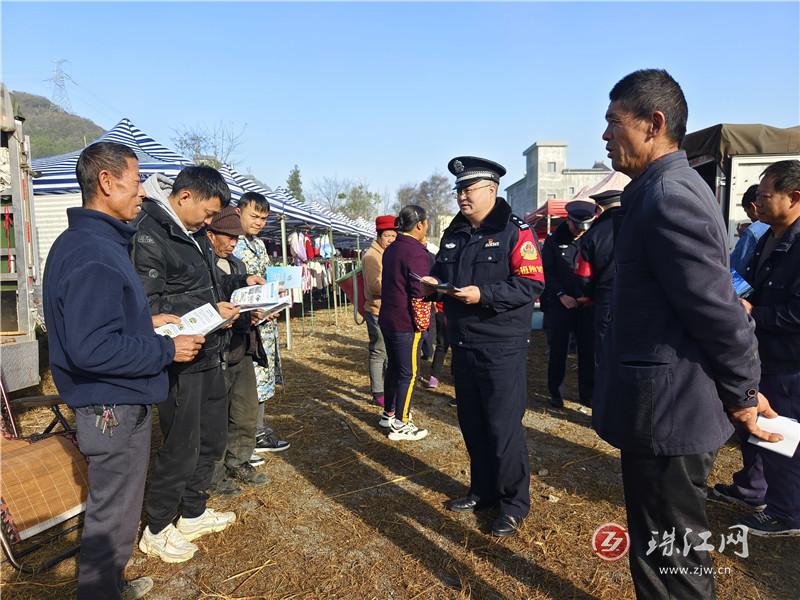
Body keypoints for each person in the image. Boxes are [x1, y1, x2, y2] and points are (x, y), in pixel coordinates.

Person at [595, 68, 780, 598]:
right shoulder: (657, 190)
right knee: (662, 547)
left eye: (613, 123)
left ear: (653, 124)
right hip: (663, 408)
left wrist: (744, 393)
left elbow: (716, 309)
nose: (606, 136)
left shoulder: (668, 195)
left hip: (668, 413)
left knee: (672, 557)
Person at [42, 142, 204, 599]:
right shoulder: (93, 252)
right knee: (111, 516)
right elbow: (91, 348)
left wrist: (143, 323)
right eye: (136, 182)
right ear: (107, 182)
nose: (143, 193)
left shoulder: (96, 244)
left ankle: (109, 586)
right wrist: (165, 350)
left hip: (116, 400)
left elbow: (98, 324)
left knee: (118, 512)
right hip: (110, 406)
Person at [132, 165, 256, 563]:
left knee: (211, 438)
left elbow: (208, 288)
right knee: (181, 444)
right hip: (179, 358)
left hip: (210, 349)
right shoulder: (150, 234)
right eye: (207, 213)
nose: (210, 222)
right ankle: (158, 526)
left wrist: (236, 300)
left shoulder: (193, 235)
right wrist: (206, 309)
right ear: (184, 197)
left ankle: (192, 510)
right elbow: (148, 307)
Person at [422, 156, 545, 537]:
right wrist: (433, 284)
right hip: (463, 342)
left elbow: (531, 284)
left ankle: (513, 503)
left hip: (501, 345)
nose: (461, 195)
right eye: (458, 189)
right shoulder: (455, 233)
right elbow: (444, 274)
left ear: (491, 190)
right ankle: (483, 489)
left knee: (502, 426)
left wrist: (484, 295)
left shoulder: (515, 231)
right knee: (472, 423)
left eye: (468, 189)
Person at [720, 160, 800, 536]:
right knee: (754, 427)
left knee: (781, 434)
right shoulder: (769, 236)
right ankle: (753, 490)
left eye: (767, 197)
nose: (758, 203)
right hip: (759, 352)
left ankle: (787, 513)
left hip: (789, 360)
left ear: (794, 198)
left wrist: (756, 312)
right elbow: (750, 282)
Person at [206, 206, 271, 495]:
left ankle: (239, 460)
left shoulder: (238, 266)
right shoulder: (205, 264)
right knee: (217, 416)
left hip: (241, 346)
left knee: (246, 409)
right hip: (216, 351)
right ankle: (215, 473)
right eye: (227, 236)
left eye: (236, 237)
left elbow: (241, 304)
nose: (233, 242)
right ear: (210, 235)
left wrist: (255, 315)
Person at [233, 192, 291, 455]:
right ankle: (246, 438)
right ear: (239, 212)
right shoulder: (231, 244)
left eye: (263, 218)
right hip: (244, 325)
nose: (258, 222)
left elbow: (267, 279)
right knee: (248, 384)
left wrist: (274, 303)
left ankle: (258, 431)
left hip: (264, 323)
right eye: (253, 216)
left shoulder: (259, 244)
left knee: (263, 379)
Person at [378, 205, 431, 441]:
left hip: (388, 318)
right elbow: (419, 290)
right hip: (405, 321)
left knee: (394, 369)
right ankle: (402, 421)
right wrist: (424, 322)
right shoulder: (416, 251)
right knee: (408, 373)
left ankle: (388, 412)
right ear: (420, 224)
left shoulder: (391, 248)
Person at [541, 200, 596, 408]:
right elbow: (547, 271)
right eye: (577, 226)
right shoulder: (554, 241)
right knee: (558, 350)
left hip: (586, 303)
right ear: (568, 221)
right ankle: (555, 391)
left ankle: (587, 394)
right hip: (560, 304)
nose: (580, 232)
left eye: (585, 227)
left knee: (587, 351)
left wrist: (588, 296)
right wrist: (561, 294)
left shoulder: (591, 238)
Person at [575, 189, 624, 371]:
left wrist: (588, 295)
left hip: (605, 300)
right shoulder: (641, 224)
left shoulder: (593, 235)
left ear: (599, 209)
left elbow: (583, 276)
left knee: (604, 352)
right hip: (639, 300)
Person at [362, 215, 398, 407]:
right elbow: (376, 287)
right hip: (377, 309)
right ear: (379, 236)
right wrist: (400, 286)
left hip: (388, 309)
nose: (391, 239)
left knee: (387, 351)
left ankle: (387, 385)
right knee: (378, 351)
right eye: (387, 236)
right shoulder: (372, 256)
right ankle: (378, 391)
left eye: (394, 235)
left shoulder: (386, 253)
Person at [729, 184, 770, 274]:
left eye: (747, 212)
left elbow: (735, 268)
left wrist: (745, 238)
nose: (748, 217)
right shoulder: (778, 226)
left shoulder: (752, 232)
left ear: (753, 207)